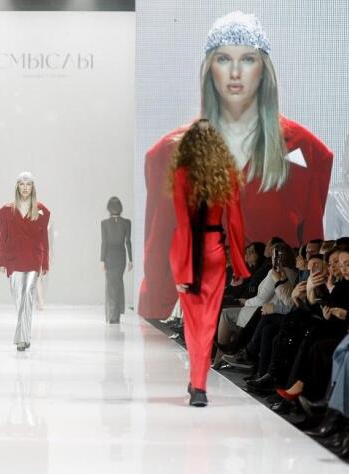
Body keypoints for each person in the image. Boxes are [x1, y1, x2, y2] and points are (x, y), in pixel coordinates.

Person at [139, 11, 334, 319]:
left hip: (274, 302)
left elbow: (311, 245)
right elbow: (158, 250)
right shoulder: (167, 155)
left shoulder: (308, 152)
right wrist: (155, 318)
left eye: (247, 59)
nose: (235, 72)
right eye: (223, 59)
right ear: (209, 69)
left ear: (263, 69)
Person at [167, 120, 250, 406]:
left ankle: (198, 384)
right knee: (207, 321)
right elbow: (236, 222)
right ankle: (198, 385)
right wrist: (239, 264)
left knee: (193, 322)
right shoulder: (227, 174)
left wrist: (184, 267)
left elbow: (183, 223)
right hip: (214, 251)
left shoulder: (181, 173)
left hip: (188, 252)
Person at [0, 172, 50, 352]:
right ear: (17, 186)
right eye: (22, 183)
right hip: (14, 259)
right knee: (19, 299)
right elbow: (2, 237)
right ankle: (26, 336)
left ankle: (21, 339)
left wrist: (45, 263)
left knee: (27, 294)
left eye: (28, 184)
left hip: (33, 259)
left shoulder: (42, 210)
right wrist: (1, 260)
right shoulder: (5, 211)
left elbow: (44, 239)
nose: (25, 187)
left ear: (33, 187)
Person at [100, 196, 132, 324]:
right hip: (121, 258)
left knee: (110, 286)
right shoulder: (127, 222)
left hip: (109, 258)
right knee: (118, 284)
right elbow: (128, 242)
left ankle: (112, 315)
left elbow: (104, 242)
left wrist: (102, 260)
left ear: (109, 208)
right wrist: (130, 260)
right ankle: (116, 314)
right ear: (120, 208)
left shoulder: (104, 223)